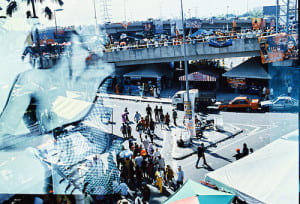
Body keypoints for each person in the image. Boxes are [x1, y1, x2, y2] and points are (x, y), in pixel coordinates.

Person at [0, 31, 122, 194]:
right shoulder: (32, 80)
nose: (96, 59)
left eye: (98, 51)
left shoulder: (97, 81)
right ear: (72, 44)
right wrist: (43, 142)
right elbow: (2, 138)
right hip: (62, 181)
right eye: (88, 48)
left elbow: (104, 131)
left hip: (96, 180)